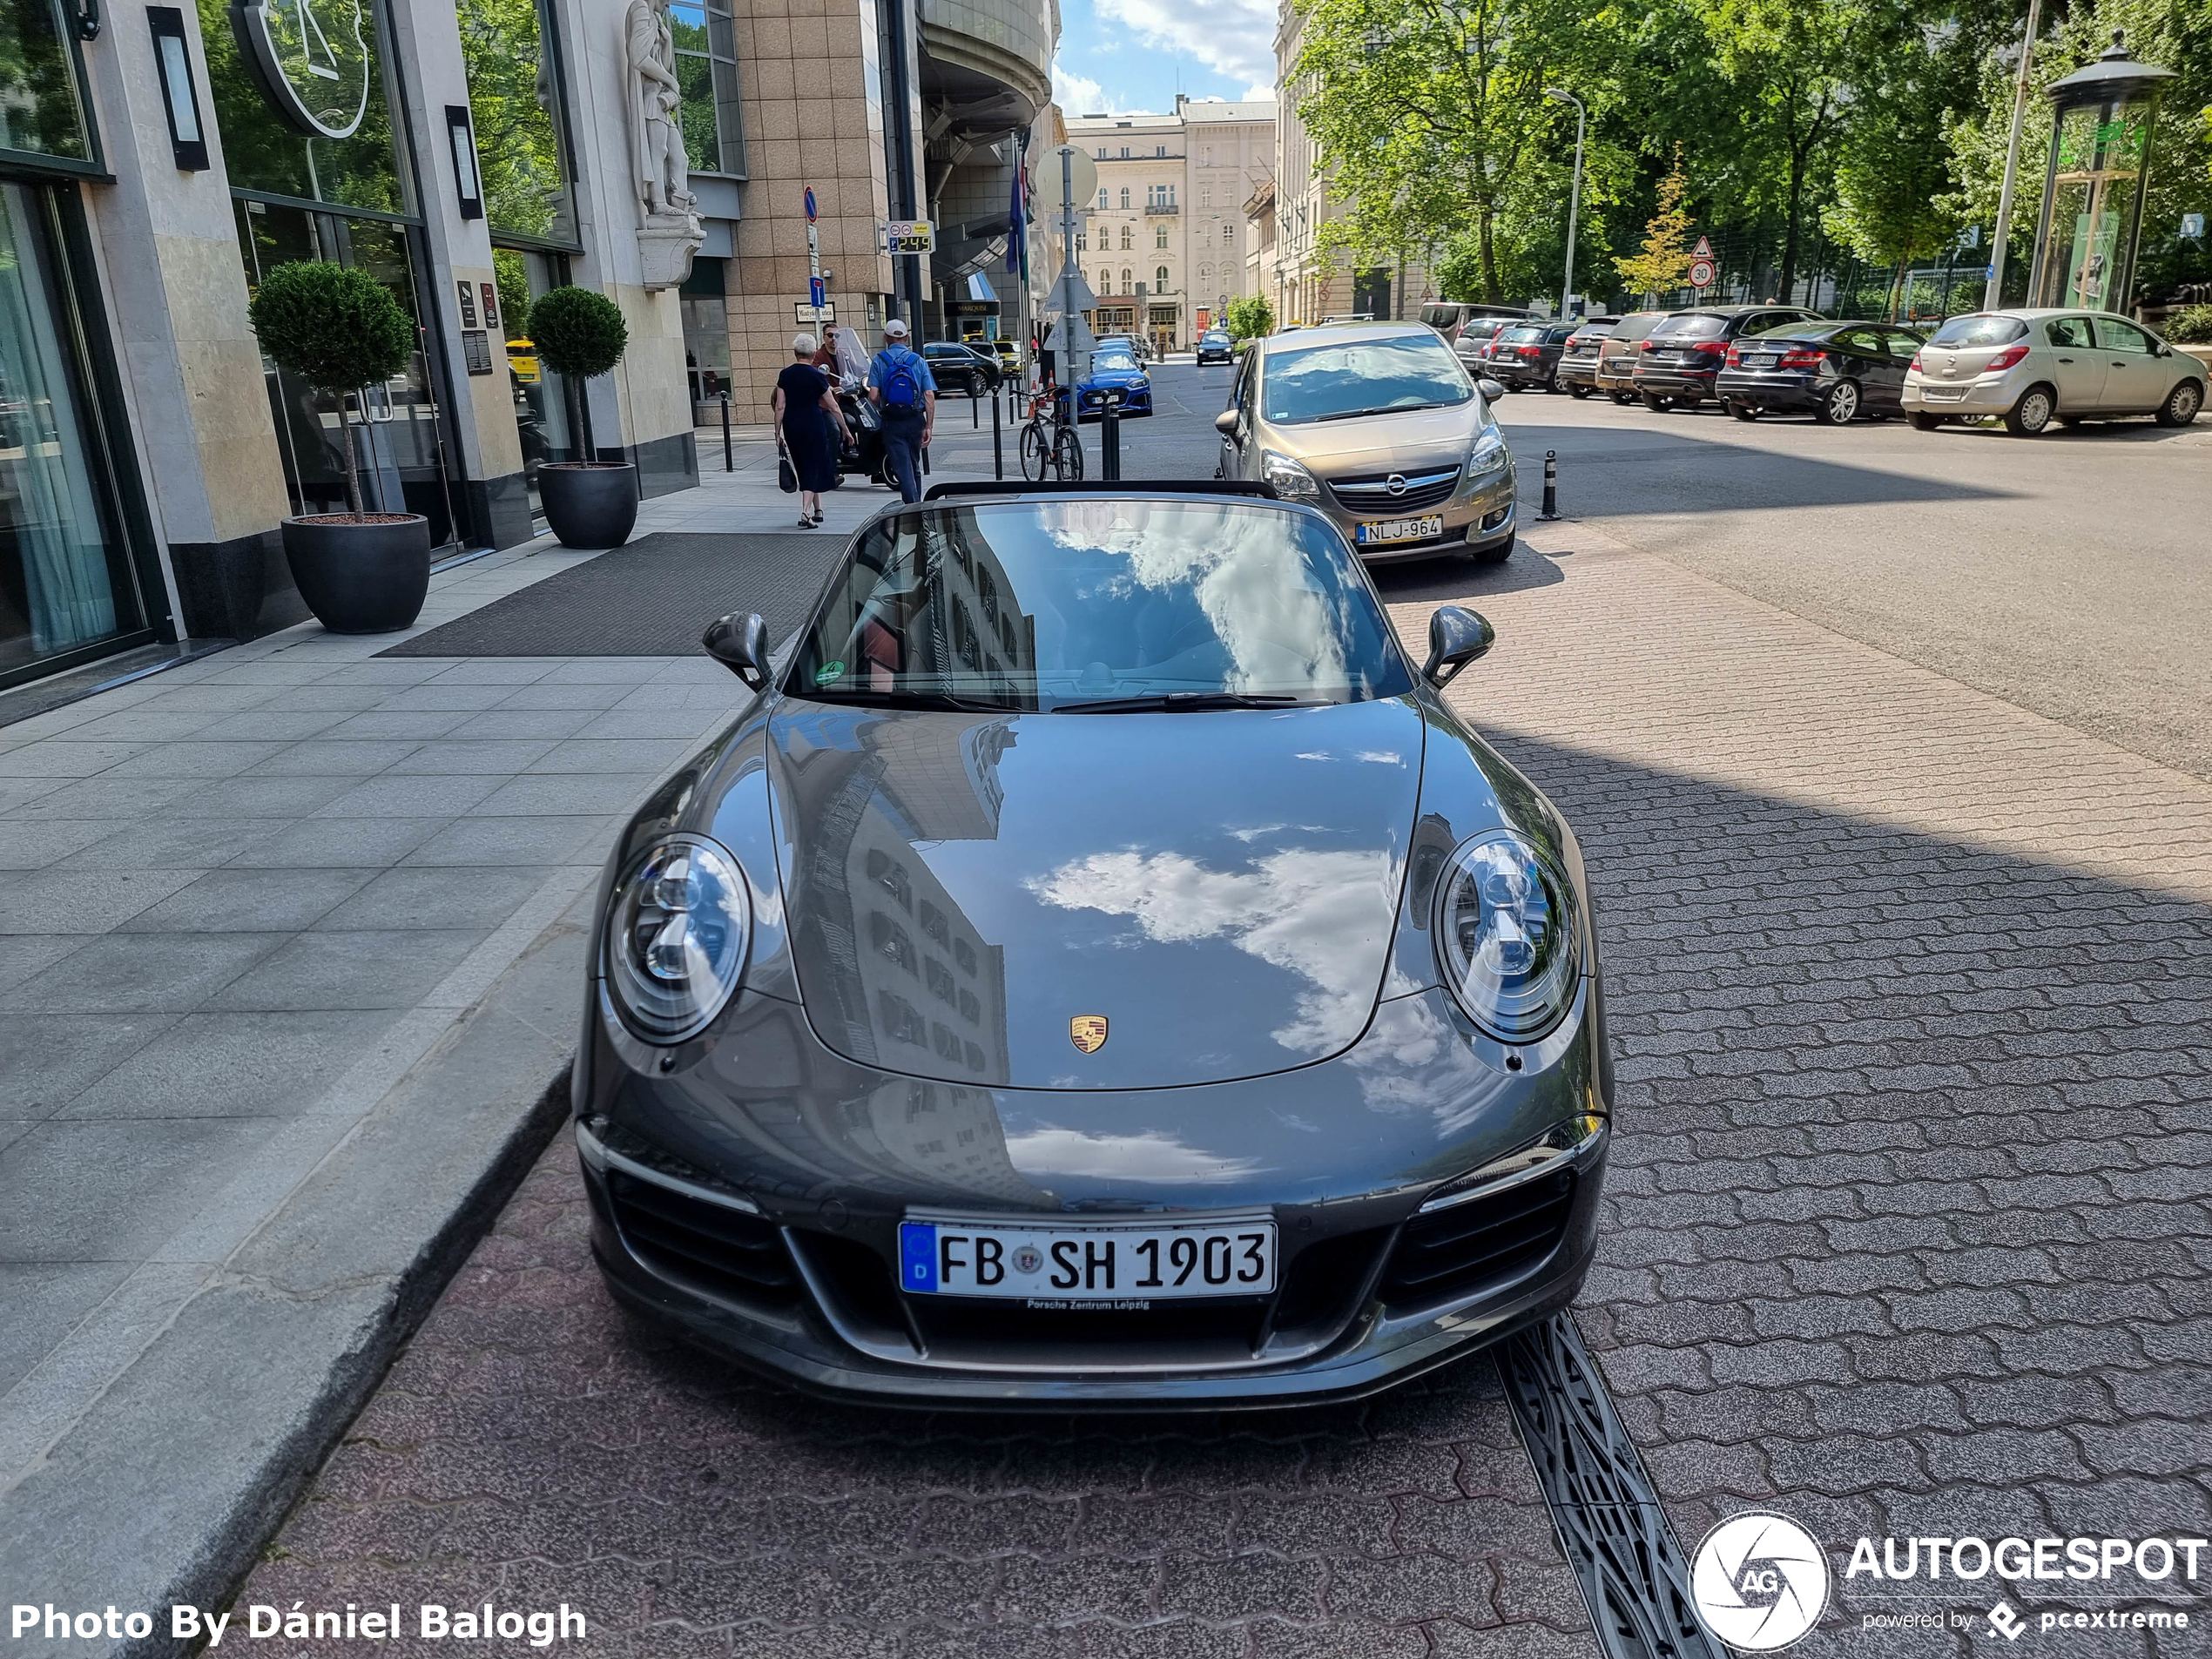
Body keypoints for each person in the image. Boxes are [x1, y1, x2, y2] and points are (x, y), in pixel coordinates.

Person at [772, 332, 852, 528]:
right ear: (813, 354)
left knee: (806, 466)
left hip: (792, 426)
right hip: (814, 425)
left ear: (795, 352)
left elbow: (780, 406)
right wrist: (846, 429)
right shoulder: (817, 376)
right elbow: (832, 406)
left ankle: (818, 510)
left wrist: (777, 433)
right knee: (812, 466)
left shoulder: (785, 374)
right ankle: (805, 513)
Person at [867, 317, 935, 503]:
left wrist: (883, 407)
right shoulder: (918, 361)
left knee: (902, 468)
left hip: (892, 420)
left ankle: (912, 508)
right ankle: (918, 506)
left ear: (886, 338)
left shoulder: (879, 361)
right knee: (914, 465)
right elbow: (929, 395)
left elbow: (873, 395)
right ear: (907, 337)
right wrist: (928, 425)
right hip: (915, 418)